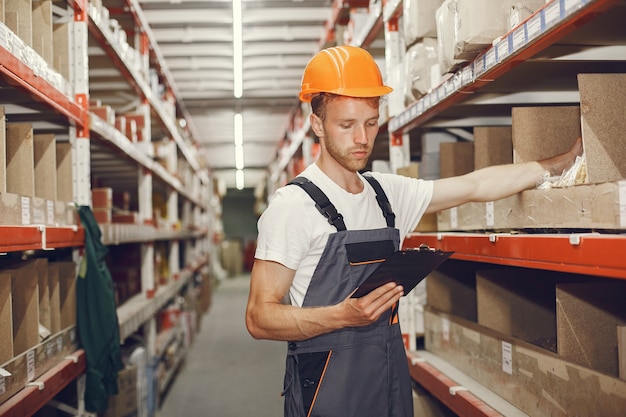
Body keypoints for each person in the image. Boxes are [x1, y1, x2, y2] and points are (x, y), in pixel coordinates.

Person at [245, 45, 582, 417]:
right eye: (347, 125)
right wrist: (342, 315)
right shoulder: (293, 207)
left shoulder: (386, 194)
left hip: (389, 379)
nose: (362, 138)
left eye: (371, 123)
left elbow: (474, 186)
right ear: (318, 124)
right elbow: (259, 317)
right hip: (328, 390)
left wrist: (561, 163)